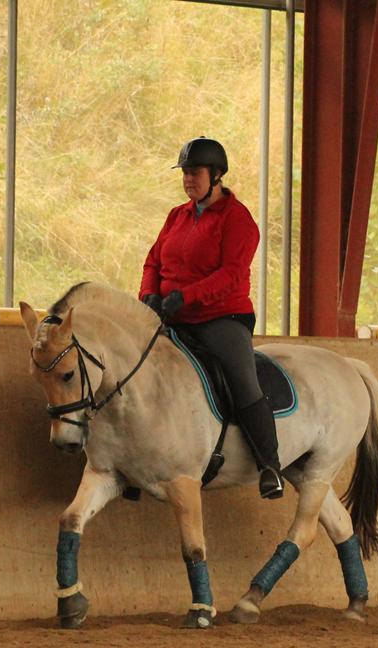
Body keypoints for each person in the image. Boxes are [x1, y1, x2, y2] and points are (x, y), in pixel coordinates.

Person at [139, 136, 284, 500]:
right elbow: (153, 260)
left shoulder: (238, 220)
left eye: (195, 173)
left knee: (241, 377)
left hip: (220, 317)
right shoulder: (177, 215)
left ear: (216, 175)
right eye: (185, 173)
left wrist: (184, 297)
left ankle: (270, 465)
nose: (189, 179)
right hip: (172, 314)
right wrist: (149, 295)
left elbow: (231, 275)